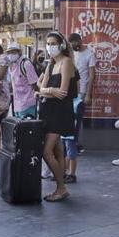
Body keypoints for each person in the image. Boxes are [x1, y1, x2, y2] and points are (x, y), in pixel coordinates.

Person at [37, 31, 78, 202]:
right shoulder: (50, 65)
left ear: (61, 45)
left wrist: (47, 91)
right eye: (48, 43)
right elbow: (42, 89)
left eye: (53, 43)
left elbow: (63, 92)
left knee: (46, 151)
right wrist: (49, 91)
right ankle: (61, 187)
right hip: (47, 111)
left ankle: (61, 187)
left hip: (60, 112)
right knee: (57, 150)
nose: (50, 47)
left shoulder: (67, 62)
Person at [65, 33, 96, 183]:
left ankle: (77, 143)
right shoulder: (71, 54)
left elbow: (92, 76)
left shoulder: (89, 53)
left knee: (76, 121)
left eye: (74, 44)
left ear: (79, 41)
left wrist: (88, 94)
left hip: (81, 92)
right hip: (71, 92)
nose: (73, 47)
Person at [7, 42, 39, 119]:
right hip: (17, 105)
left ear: (19, 52)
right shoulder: (12, 66)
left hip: (28, 104)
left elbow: (35, 84)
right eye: (9, 52)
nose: (11, 54)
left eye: (13, 52)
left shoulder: (26, 64)